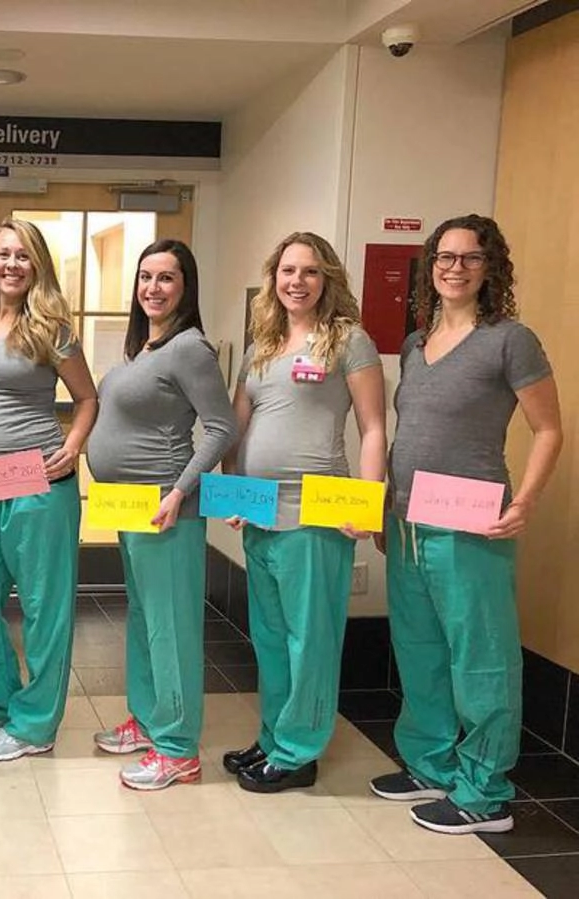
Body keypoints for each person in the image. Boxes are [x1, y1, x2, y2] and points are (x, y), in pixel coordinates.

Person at [370, 214, 562, 835]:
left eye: (471, 257)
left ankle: (485, 793)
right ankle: (431, 764)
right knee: (420, 650)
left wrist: (524, 501)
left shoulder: (510, 340)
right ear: (430, 266)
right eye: (445, 257)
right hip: (407, 520)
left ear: (490, 267)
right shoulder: (415, 343)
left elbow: (549, 429)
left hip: (472, 521)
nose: (456, 268)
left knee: (481, 658)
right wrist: (385, 508)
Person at [221, 232, 386, 793]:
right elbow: (236, 428)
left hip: (316, 515)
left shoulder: (349, 341)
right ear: (274, 278)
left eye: (310, 271)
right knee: (270, 639)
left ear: (327, 279)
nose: (297, 281)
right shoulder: (261, 348)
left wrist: (369, 504)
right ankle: (273, 737)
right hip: (262, 516)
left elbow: (373, 428)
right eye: (288, 270)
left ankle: (298, 752)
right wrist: (235, 492)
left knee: (308, 640)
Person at [0, 217, 98, 762]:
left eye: (23, 255)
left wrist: (73, 447)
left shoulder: (51, 326)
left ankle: (35, 726)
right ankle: (2, 701)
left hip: (37, 482)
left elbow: (87, 398)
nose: (12, 264)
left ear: (37, 265)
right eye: (4, 254)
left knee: (42, 609)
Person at [86, 239, 236, 790]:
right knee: (146, 618)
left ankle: (177, 749)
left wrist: (179, 491)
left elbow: (221, 427)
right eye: (146, 277)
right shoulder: (145, 348)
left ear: (186, 287)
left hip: (165, 510)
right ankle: (149, 722)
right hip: (131, 509)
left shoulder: (190, 348)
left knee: (171, 627)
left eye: (166, 278)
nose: (153, 287)